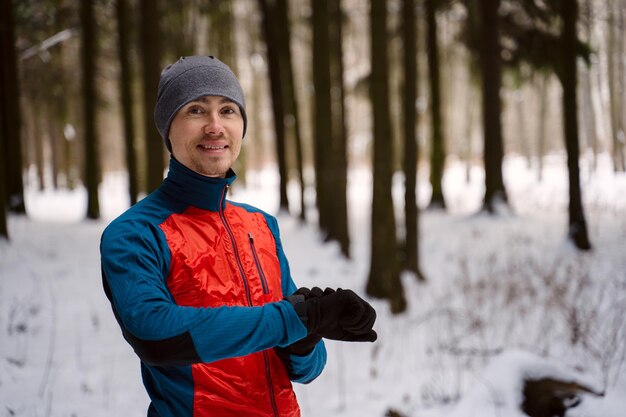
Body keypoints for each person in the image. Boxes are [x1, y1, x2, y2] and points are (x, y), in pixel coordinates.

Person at [100, 55, 377, 417]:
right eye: (196, 110)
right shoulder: (135, 233)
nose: (215, 126)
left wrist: (306, 337)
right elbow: (155, 336)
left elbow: (308, 370)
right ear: (168, 129)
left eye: (228, 110)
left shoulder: (260, 226)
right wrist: (293, 319)